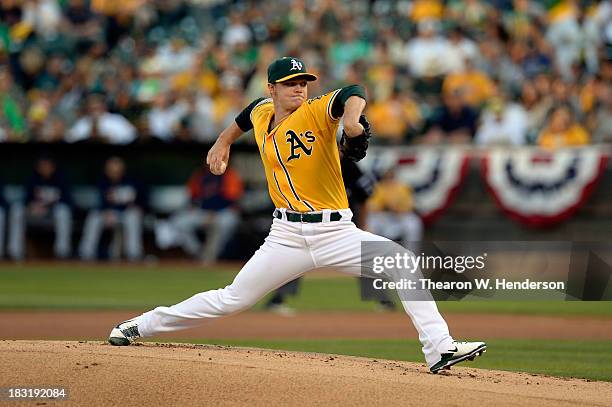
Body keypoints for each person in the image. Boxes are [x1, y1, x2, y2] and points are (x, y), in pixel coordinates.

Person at [108, 57, 486, 374]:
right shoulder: (261, 111)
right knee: (232, 299)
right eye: (290, 83)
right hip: (285, 235)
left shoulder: (317, 113)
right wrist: (222, 141)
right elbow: (243, 116)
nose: (299, 88)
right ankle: (140, 325)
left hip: (336, 233)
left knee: (401, 262)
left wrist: (352, 122)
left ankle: (439, 349)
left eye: (303, 82)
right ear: (272, 88)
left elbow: (354, 91)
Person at [154, 163, 243, 262]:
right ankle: (198, 253)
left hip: (222, 213)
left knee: (227, 222)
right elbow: (192, 197)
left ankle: (210, 257)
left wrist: (213, 212)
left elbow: (233, 198)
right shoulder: (200, 174)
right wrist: (194, 208)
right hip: (202, 212)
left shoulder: (229, 174)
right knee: (179, 221)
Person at [79, 157, 147, 261]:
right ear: (107, 171)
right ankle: (86, 254)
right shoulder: (103, 182)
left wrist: (140, 207)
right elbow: (101, 202)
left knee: (133, 216)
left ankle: (134, 255)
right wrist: (106, 211)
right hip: (108, 214)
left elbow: (143, 200)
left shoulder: (133, 181)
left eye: (117, 171)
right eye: (112, 171)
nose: (115, 174)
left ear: (122, 170)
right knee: (94, 217)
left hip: (127, 214)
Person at [8, 155, 73, 259]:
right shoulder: (32, 179)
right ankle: (15, 252)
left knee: (63, 211)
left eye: (47, 166)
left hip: (52, 215)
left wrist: (47, 207)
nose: (45, 168)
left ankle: (62, 252)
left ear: (53, 167)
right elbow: (25, 199)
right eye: (42, 166)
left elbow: (68, 201)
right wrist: (32, 206)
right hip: (33, 214)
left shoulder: (61, 180)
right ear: (38, 167)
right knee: (17, 209)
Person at [367, 169, 424, 249]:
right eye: (387, 177)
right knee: (370, 222)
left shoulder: (403, 188)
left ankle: (412, 254)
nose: (389, 180)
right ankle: (372, 254)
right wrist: (385, 205)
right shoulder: (379, 187)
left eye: (391, 177)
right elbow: (372, 207)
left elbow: (409, 207)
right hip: (383, 217)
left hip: (400, 217)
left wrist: (397, 208)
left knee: (413, 223)